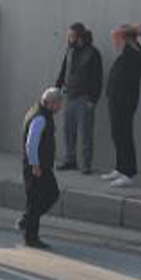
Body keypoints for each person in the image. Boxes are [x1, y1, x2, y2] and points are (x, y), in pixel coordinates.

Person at [54, 22, 102, 174]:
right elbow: (63, 70)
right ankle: (70, 160)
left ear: (79, 37)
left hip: (84, 99)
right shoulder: (69, 50)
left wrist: (93, 100)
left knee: (85, 133)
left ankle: (86, 164)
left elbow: (98, 79)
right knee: (68, 131)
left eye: (71, 36)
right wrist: (56, 89)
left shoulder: (93, 53)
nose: (68, 38)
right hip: (69, 96)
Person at [104, 23, 141, 187]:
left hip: (125, 102)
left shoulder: (135, 54)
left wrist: (130, 32)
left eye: (117, 39)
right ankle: (120, 168)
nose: (115, 42)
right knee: (117, 134)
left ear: (127, 39)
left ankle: (129, 173)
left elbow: (139, 30)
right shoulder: (125, 55)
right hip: (115, 100)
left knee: (124, 135)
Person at [22, 88, 63, 249]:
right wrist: (35, 165)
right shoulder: (40, 117)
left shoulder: (40, 112)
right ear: (51, 103)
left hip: (42, 165)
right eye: (59, 104)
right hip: (37, 166)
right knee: (35, 200)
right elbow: (31, 143)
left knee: (52, 194)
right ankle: (31, 237)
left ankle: (27, 220)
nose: (60, 108)